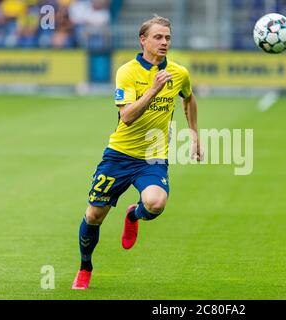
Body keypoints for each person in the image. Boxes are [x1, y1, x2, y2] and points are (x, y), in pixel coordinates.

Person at [72, 15, 203, 290]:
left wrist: (194, 134)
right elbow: (127, 117)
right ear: (143, 40)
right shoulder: (127, 72)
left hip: (153, 156)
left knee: (156, 204)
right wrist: (153, 90)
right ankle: (85, 267)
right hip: (119, 155)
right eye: (158, 37)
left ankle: (133, 215)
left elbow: (189, 98)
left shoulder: (179, 73)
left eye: (168, 37)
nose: (164, 42)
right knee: (94, 216)